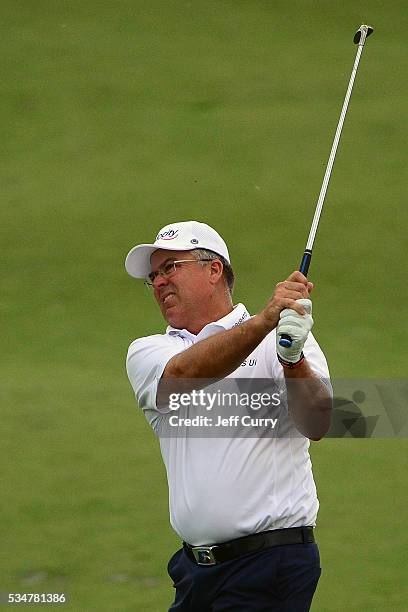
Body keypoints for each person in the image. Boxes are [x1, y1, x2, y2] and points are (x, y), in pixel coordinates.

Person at [125, 220, 332, 611]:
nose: (158, 282)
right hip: (194, 570)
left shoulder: (285, 337)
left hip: (271, 563)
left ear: (213, 270)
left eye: (171, 267)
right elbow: (184, 375)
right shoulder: (149, 352)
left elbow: (319, 423)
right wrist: (264, 321)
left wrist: (292, 360)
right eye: (153, 275)